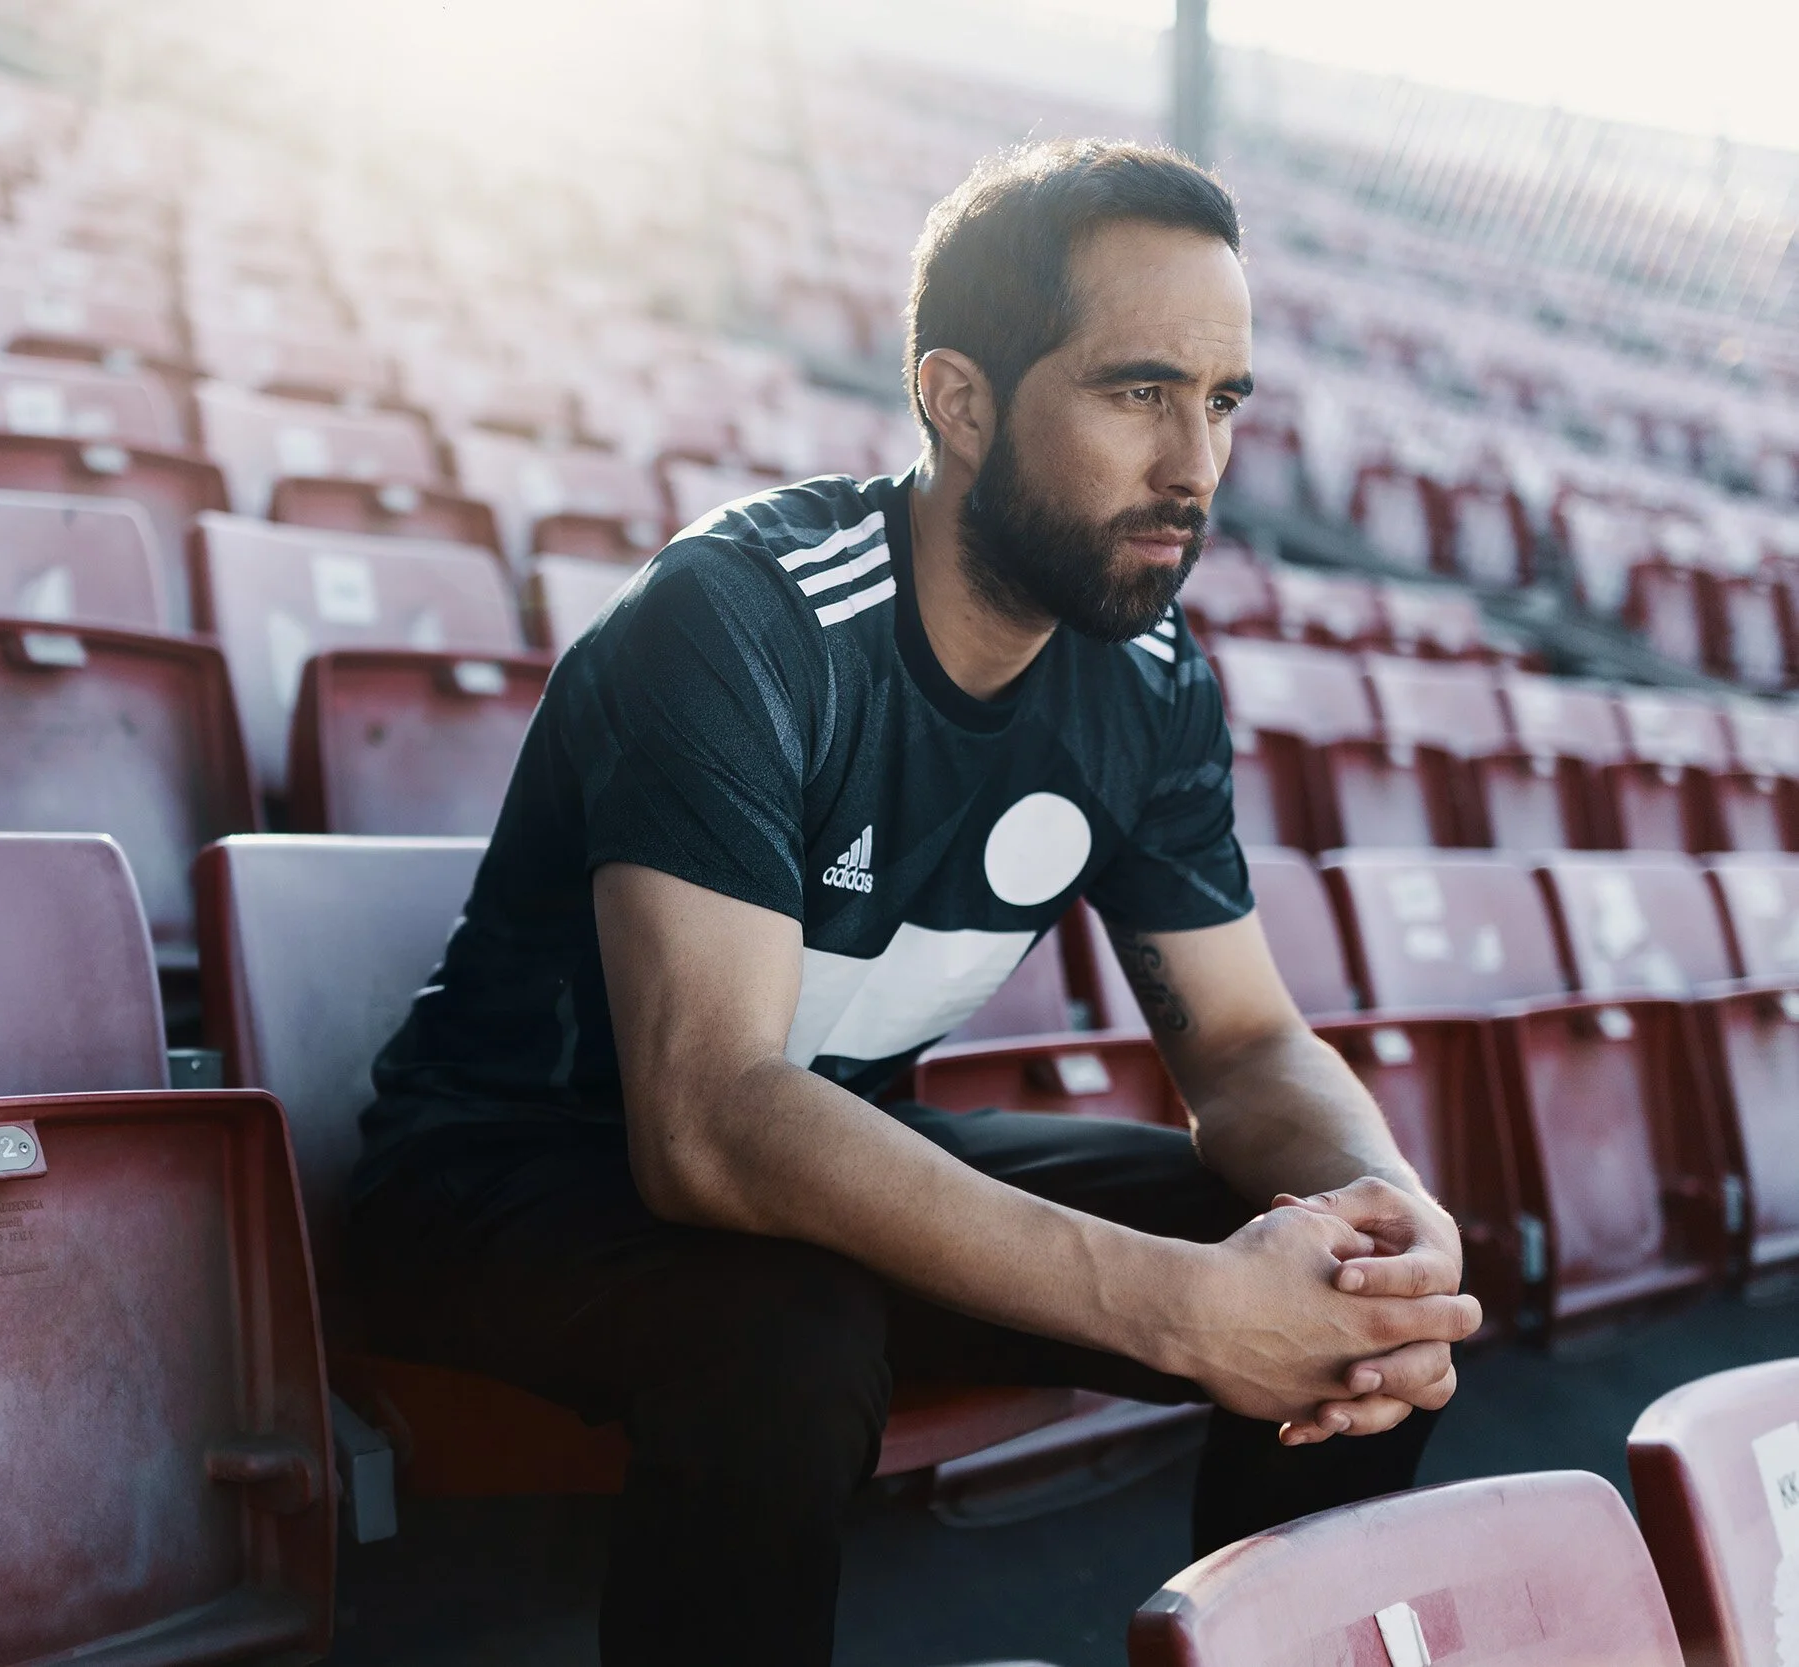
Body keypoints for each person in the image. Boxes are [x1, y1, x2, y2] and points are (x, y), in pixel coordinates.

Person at [347, 138, 1481, 1667]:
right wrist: (1179, 1310)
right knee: (778, 1337)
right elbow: (708, 1123)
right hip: (514, 1175)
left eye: (1220, 403)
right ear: (958, 399)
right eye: (1139, 391)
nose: (1195, 469)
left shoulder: (1146, 682)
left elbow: (1246, 1044)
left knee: (1343, 1271)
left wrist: (1390, 1214)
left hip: (828, 1168)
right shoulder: (746, 623)